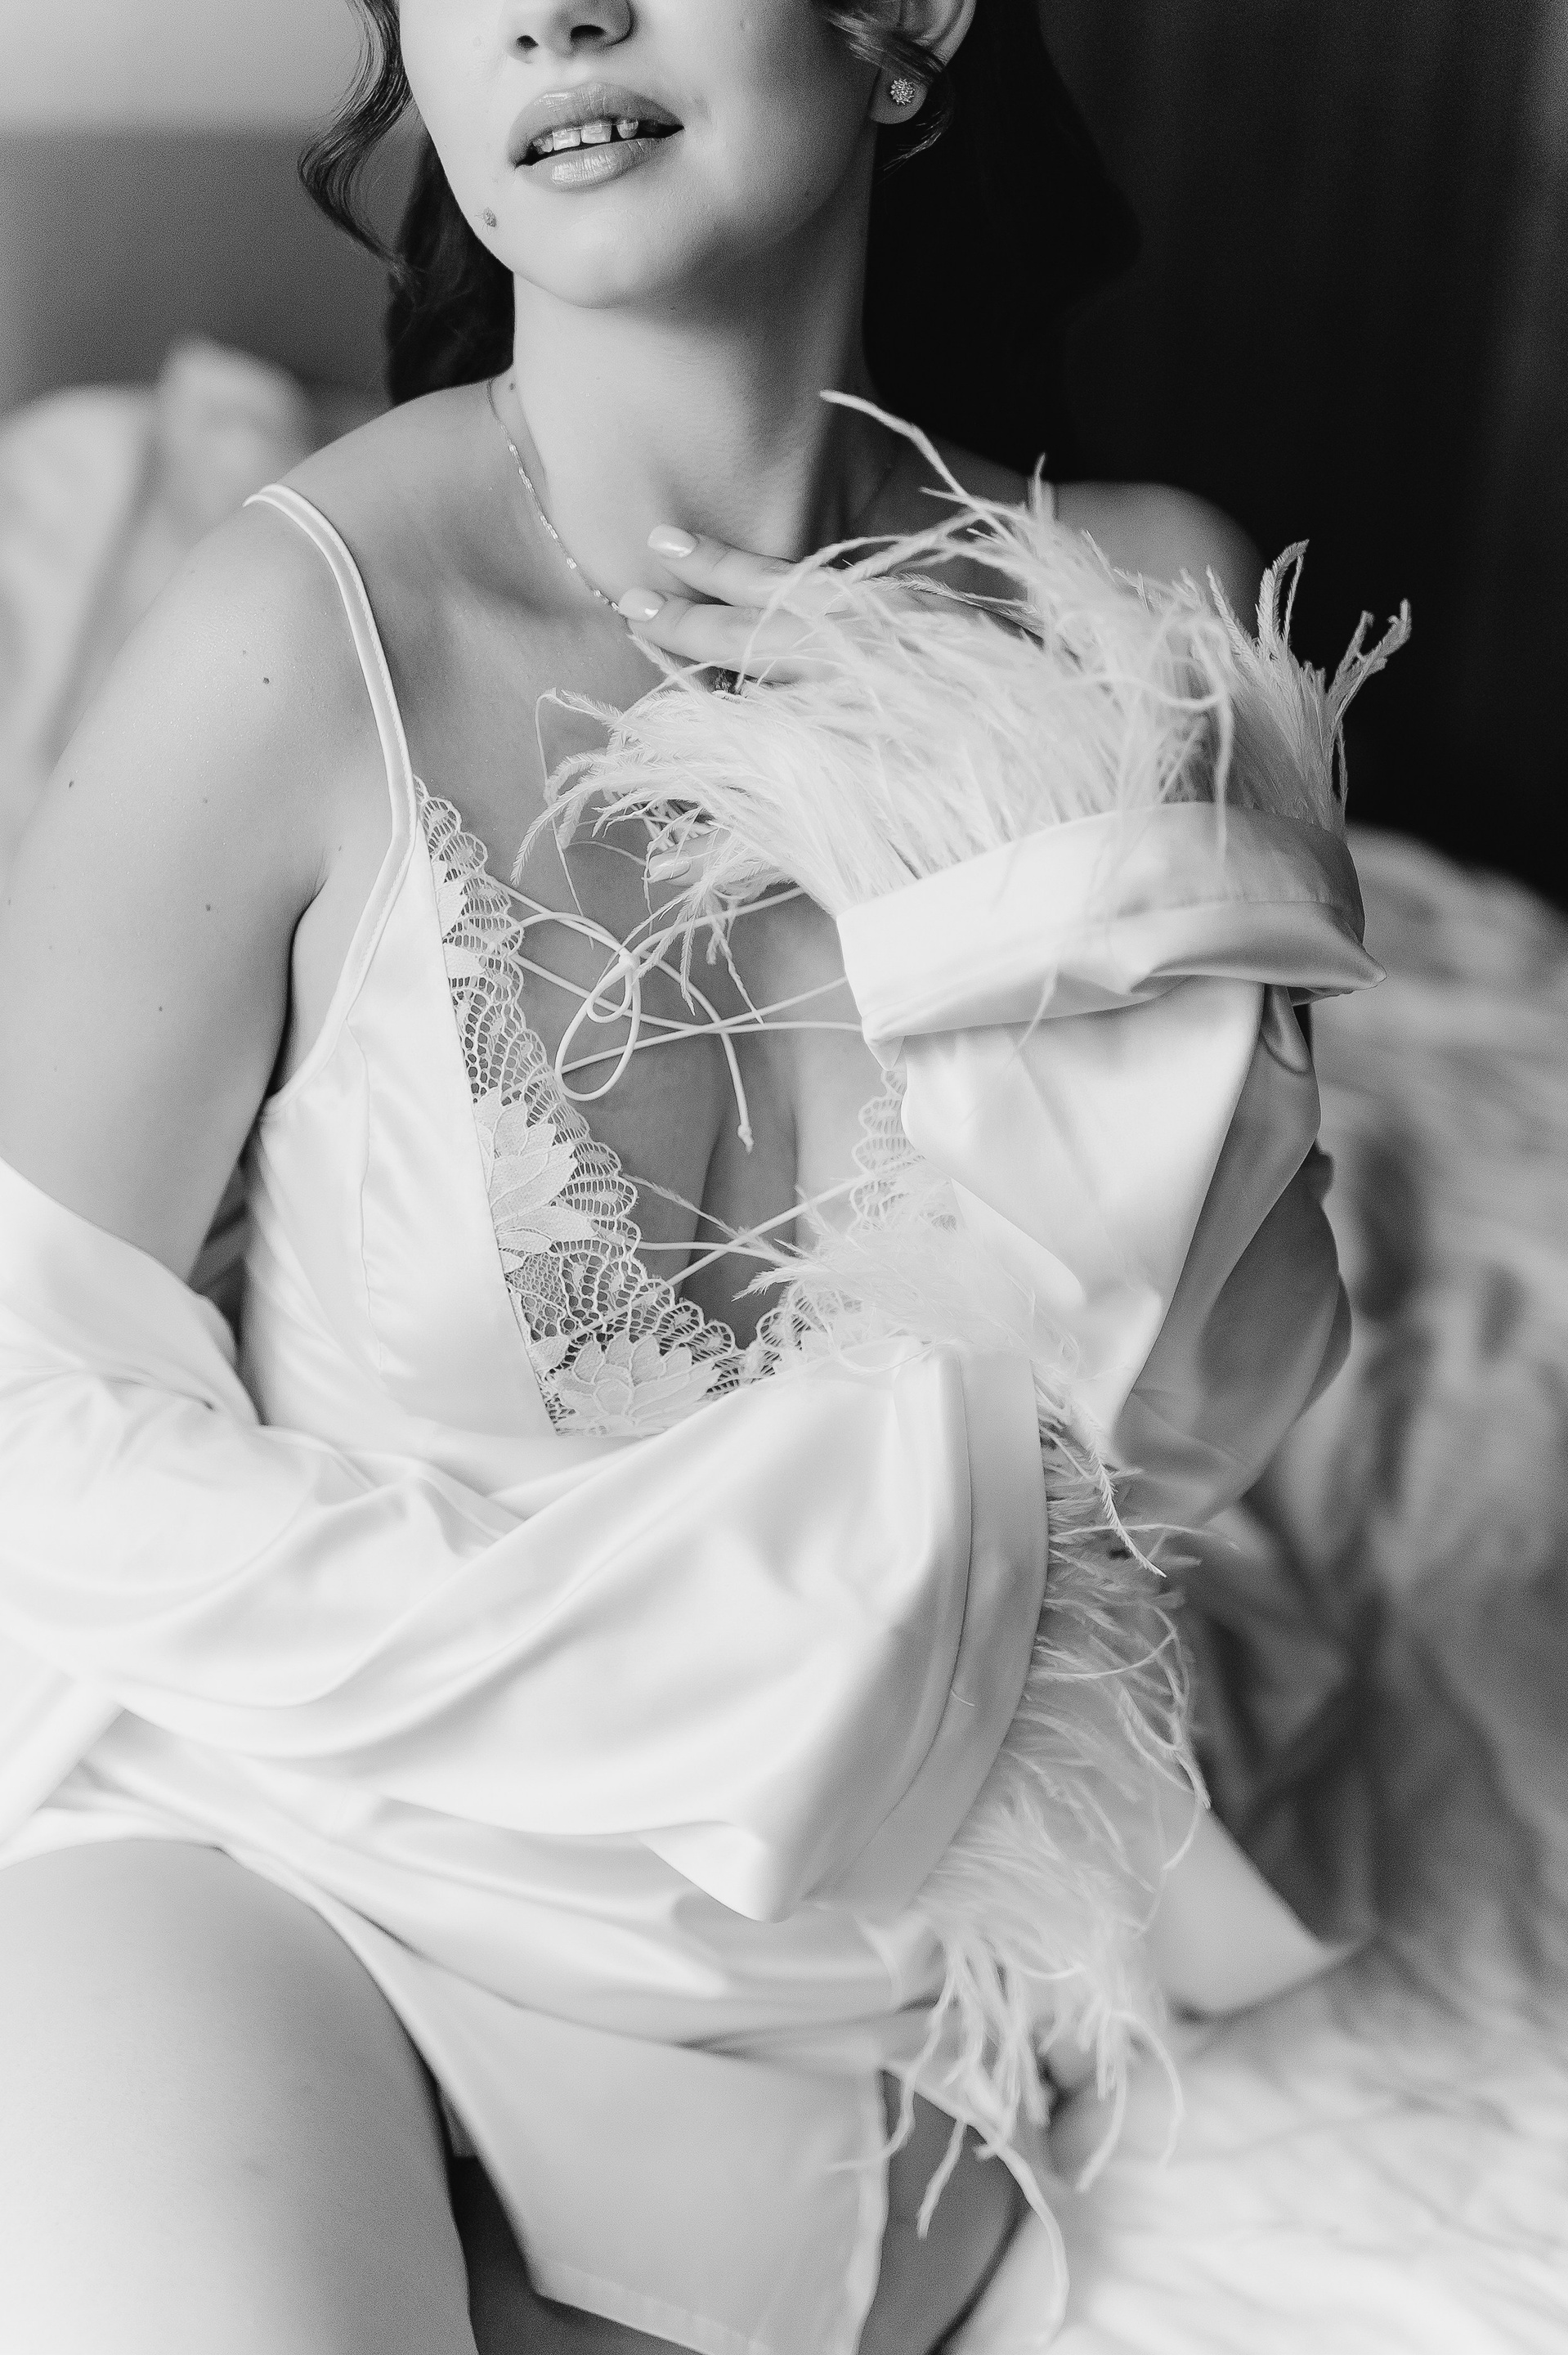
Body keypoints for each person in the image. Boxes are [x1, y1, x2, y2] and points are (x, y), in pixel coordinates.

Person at [0, 5, 1392, 2351]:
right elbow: (23, 1408)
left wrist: (1003, 847)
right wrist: (726, 1673)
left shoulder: (1143, 621)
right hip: (284, 1840)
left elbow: (1182, 1433)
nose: (557, 10)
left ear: (908, 18)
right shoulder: (297, 634)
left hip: (841, 1983)